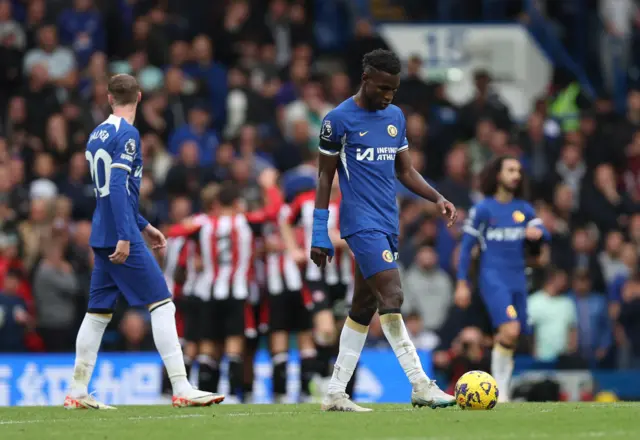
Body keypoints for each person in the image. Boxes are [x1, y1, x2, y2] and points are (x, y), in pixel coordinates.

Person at [310, 49, 458, 412]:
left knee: (362, 307)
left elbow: (404, 171)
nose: (389, 95)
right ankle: (420, 383)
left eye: (394, 89)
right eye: (383, 88)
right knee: (392, 295)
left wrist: (436, 196)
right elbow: (324, 176)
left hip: (388, 222)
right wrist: (318, 232)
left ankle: (335, 392)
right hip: (360, 223)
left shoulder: (395, 117)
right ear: (366, 80)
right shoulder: (337, 120)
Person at [64, 74, 223, 410]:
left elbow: (106, 193)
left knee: (97, 313)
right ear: (139, 97)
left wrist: (144, 224)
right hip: (119, 233)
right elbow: (119, 186)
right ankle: (181, 387)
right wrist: (127, 234)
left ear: (109, 98)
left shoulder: (96, 134)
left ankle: (77, 389)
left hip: (102, 230)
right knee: (162, 303)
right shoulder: (129, 134)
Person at [455, 155, 549, 403]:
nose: (516, 175)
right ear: (498, 175)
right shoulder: (484, 209)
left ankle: (499, 389)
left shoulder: (524, 209)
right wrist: (462, 282)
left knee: (511, 336)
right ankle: (501, 393)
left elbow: (545, 233)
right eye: (510, 170)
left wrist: (536, 233)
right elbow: (466, 248)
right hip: (492, 277)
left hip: (519, 278)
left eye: (518, 170)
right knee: (511, 328)